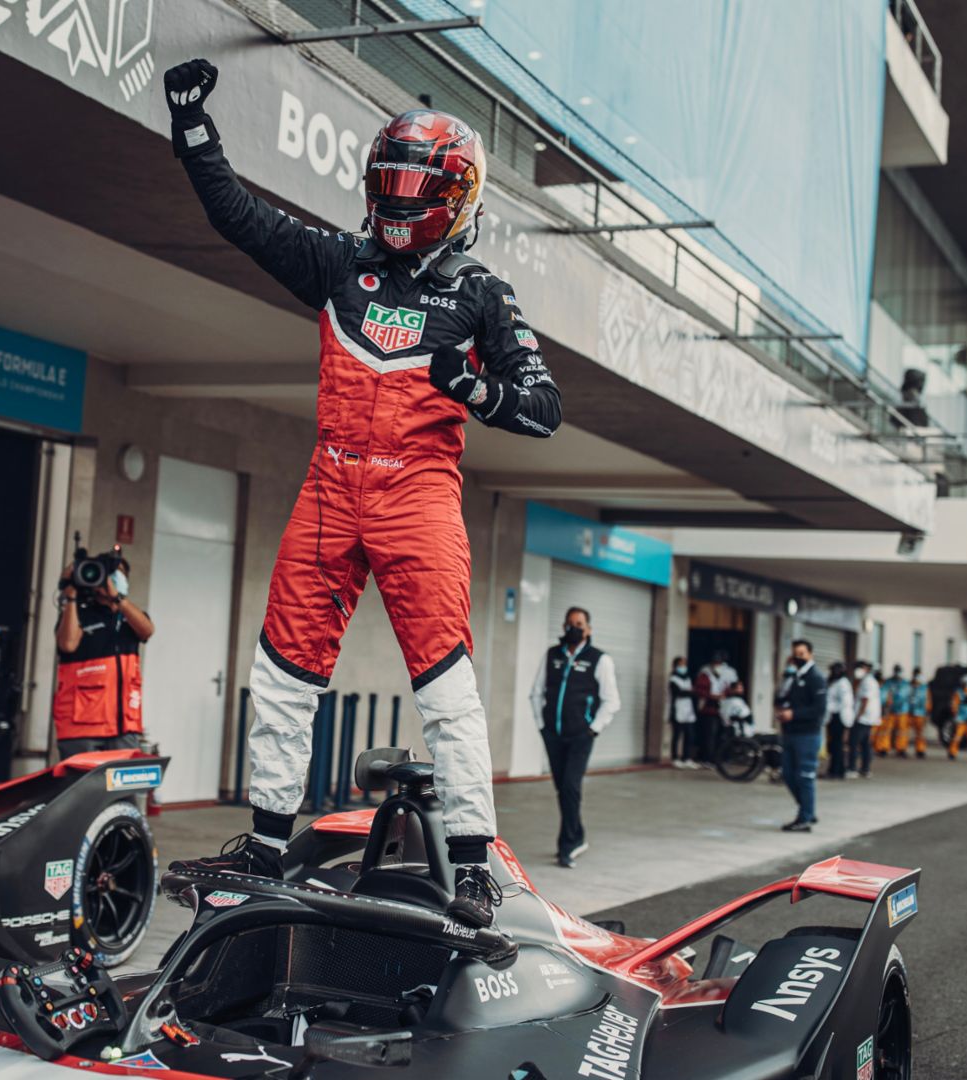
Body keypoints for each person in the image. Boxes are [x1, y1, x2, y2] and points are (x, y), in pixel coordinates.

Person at [162, 59, 562, 928]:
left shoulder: (487, 297)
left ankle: (472, 864)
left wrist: (478, 391)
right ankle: (267, 844)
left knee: (445, 685)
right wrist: (195, 128)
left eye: (414, 187)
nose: (396, 200)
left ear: (455, 199)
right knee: (281, 670)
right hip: (330, 484)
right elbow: (240, 219)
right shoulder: (342, 262)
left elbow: (545, 408)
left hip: (418, 498)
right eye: (388, 182)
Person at [530, 607, 620, 867]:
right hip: (553, 735)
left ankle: (567, 845)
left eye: (579, 623)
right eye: (570, 623)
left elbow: (611, 700)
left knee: (570, 786)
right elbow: (536, 692)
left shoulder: (599, 660)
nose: (574, 627)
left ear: (588, 629)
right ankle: (578, 835)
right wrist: (541, 724)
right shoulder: (552, 656)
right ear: (563, 626)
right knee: (563, 789)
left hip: (581, 735)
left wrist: (594, 728)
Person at [53, 551, 155, 759]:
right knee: (83, 789)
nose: (112, 580)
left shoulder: (128, 616)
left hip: (123, 726)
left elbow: (147, 630)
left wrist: (118, 599)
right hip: (82, 729)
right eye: (108, 574)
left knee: (125, 791)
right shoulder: (79, 612)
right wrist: (71, 594)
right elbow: (67, 644)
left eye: (118, 575)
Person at [774, 640, 827, 832]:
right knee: (788, 774)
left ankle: (805, 818)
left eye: (802, 654)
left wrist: (794, 714)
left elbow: (819, 709)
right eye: (795, 654)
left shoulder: (816, 678)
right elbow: (780, 697)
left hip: (807, 735)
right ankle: (808, 810)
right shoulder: (793, 677)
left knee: (805, 776)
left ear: (810, 654)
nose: (798, 658)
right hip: (790, 733)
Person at [693, 650, 739, 766]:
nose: (716, 665)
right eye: (715, 662)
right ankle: (708, 758)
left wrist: (728, 693)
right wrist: (711, 696)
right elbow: (699, 689)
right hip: (709, 707)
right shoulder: (705, 672)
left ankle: (722, 757)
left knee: (723, 734)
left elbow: (735, 688)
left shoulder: (730, 672)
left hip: (725, 707)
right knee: (709, 734)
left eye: (719, 662)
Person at [852, 660, 882, 778]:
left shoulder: (867, 682)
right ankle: (865, 768)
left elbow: (865, 699)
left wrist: (858, 715)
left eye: (861, 667)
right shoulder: (866, 681)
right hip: (867, 717)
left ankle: (853, 768)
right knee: (865, 744)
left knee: (854, 742)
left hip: (864, 718)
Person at [667, 657, 698, 769]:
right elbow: (679, 693)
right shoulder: (673, 679)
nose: (683, 667)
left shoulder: (687, 678)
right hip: (677, 710)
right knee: (677, 735)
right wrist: (690, 692)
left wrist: (690, 692)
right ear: (675, 666)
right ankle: (675, 758)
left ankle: (687, 758)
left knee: (689, 735)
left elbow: (693, 693)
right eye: (681, 664)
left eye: (685, 664)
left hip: (688, 711)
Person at [823, 662, 852, 780]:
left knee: (837, 745)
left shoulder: (843, 684)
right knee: (835, 745)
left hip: (839, 717)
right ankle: (838, 770)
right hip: (833, 716)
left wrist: (832, 709)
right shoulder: (835, 682)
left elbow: (844, 702)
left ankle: (836, 771)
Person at [876, 664, 908, 756]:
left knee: (902, 731)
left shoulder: (905, 683)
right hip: (890, 710)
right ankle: (883, 747)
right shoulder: (888, 682)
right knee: (886, 729)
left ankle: (901, 748)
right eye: (896, 670)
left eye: (899, 671)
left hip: (902, 710)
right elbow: (883, 694)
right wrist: (884, 705)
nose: (897, 673)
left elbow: (907, 696)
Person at [901, 668, 930, 758]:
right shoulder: (908, 686)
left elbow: (928, 701)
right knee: (904, 732)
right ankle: (902, 748)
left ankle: (920, 749)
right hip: (908, 712)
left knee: (920, 733)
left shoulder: (924, 688)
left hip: (920, 713)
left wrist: (927, 712)